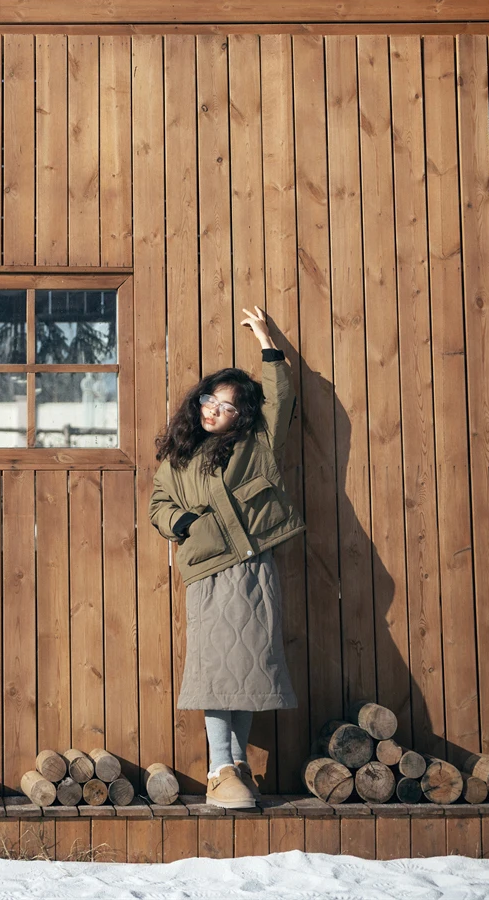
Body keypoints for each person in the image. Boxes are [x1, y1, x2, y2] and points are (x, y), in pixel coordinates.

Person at [149, 306, 304, 809]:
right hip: (207, 574)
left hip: (255, 566)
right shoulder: (179, 454)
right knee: (217, 671)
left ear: (244, 416)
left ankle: (234, 769)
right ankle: (220, 769)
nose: (213, 410)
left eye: (227, 406)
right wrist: (186, 524)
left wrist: (265, 338)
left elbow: (281, 396)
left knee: (249, 670)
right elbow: (158, 505)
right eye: (209, 400)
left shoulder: (259, 443)